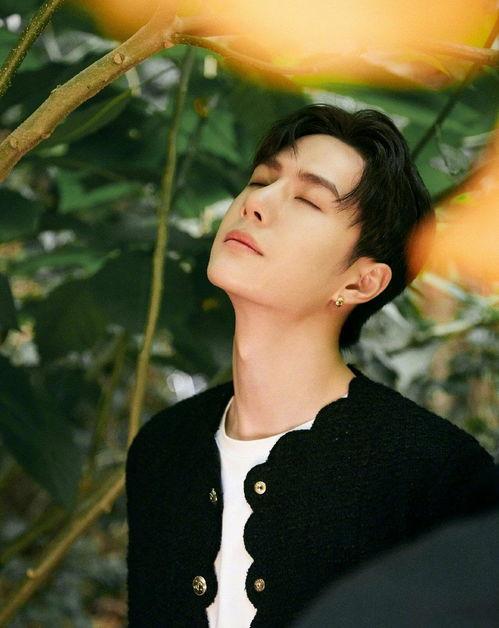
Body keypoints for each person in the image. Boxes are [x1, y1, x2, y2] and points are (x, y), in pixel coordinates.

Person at [125, 104, 498, 627]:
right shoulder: (162, 452)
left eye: (307, 199)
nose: (256, 203)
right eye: (261, 180)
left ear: (361, 281)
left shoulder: (436, 475)